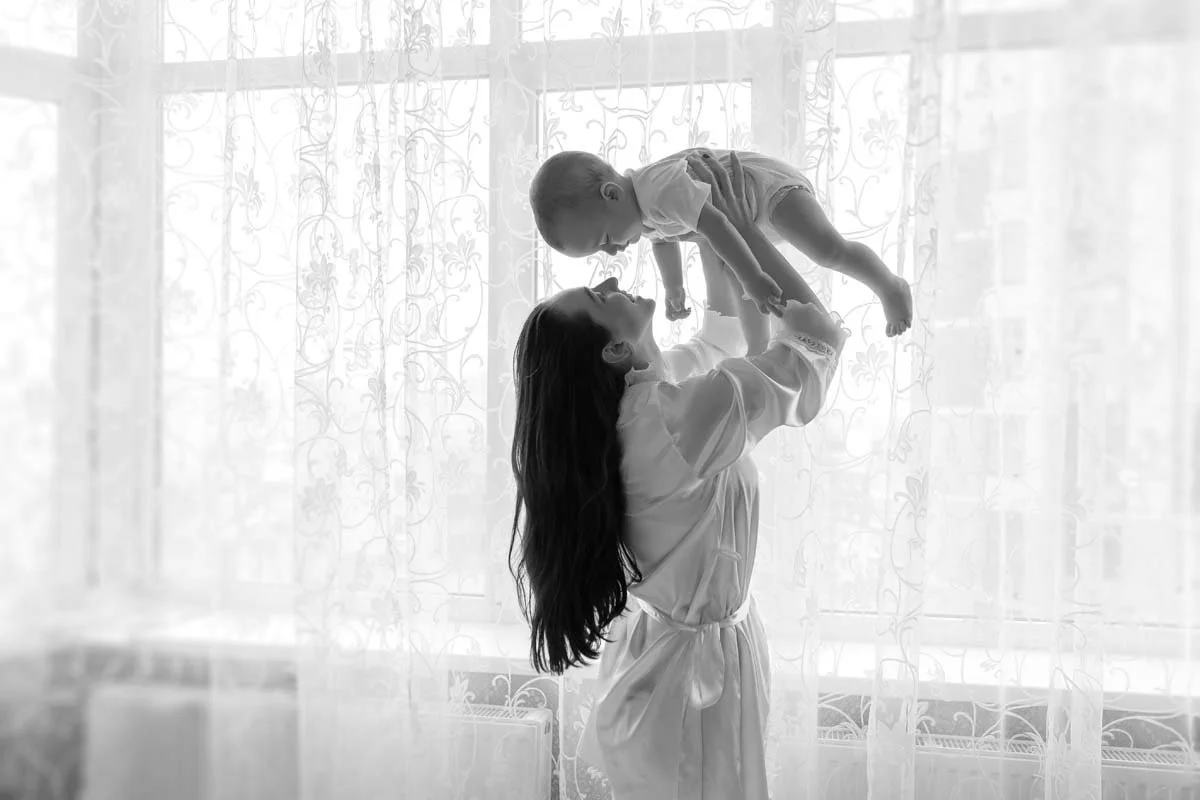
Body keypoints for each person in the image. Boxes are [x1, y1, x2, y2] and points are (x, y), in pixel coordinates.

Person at [509, 151, 848, 800]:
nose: (609, 280)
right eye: (597, 296)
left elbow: (722, 342)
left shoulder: (641, 401)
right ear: (612, 348)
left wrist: (708, 222)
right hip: (688, 688)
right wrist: (754, 251)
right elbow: (815, 351)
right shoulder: (669, 423)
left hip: (674, 666)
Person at [528, 146, 911, 355]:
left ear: (611, 194)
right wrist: (673, 288)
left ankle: (888, 285)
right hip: (744, 212)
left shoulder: (659, 190)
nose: (613, 253)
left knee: (827, 249)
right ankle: (759, 345)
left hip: (765, 188)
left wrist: (755, 276)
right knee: (734, 275)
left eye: (604, 240)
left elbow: (715, 224)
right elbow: (664, 239)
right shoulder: (640, 213)